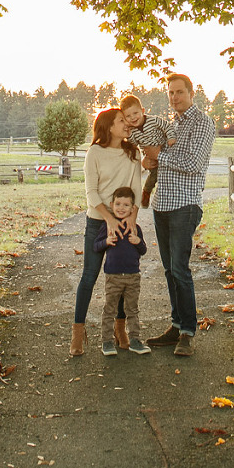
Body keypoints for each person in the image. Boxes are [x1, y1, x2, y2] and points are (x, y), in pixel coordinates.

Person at [142, 74, 215, 357]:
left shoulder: (202, 123)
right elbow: (154, 157)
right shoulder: (171, 124)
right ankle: (175, 325)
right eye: (170, 93)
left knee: (181, 270)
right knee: (170, 270)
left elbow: (194, 164)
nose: (174, 98)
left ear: (191, 93)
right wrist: (149, 159)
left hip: (185, 206)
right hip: (162, 206)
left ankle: (188, 332)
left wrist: (159, 156)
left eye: (179, 92)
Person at [70, 107, 143, 356]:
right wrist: (108, 218)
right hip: (97, 221)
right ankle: (78, 334)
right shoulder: (95, 153)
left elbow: (136, 190)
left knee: (123, 276)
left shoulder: (133, 153)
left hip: (124, 221)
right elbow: (91, 192)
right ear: (109, 126)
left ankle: (120, 330)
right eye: (121, 121)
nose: (127, 124)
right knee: (89, 276)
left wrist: (130, 220)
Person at [93, 187, 151, 356]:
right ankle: (107, 342)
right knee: (109, 310)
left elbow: (143, 250)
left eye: (126, 205)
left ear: (133, 208)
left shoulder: (135, 227)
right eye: (118, 204)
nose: (121, 208)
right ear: (111, 205)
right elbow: (96, 246)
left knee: (132, 310)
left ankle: (135, 340)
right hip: (113, 276)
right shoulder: (108, 226)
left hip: (133, 276)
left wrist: (137, 241)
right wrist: (106, 241)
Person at [119, 93, 175, 207]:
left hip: (165, 151)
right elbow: (134, 144)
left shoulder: (153, 121)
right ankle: (146, 193)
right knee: (153, 175)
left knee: (167, 176)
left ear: (142, 110)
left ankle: (168, 196)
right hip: (151, 157)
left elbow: (167, 126)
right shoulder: (133, 131)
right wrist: (129, 134)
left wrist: (171, 137)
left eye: (135, 113)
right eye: (128, 116)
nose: (133, 118)